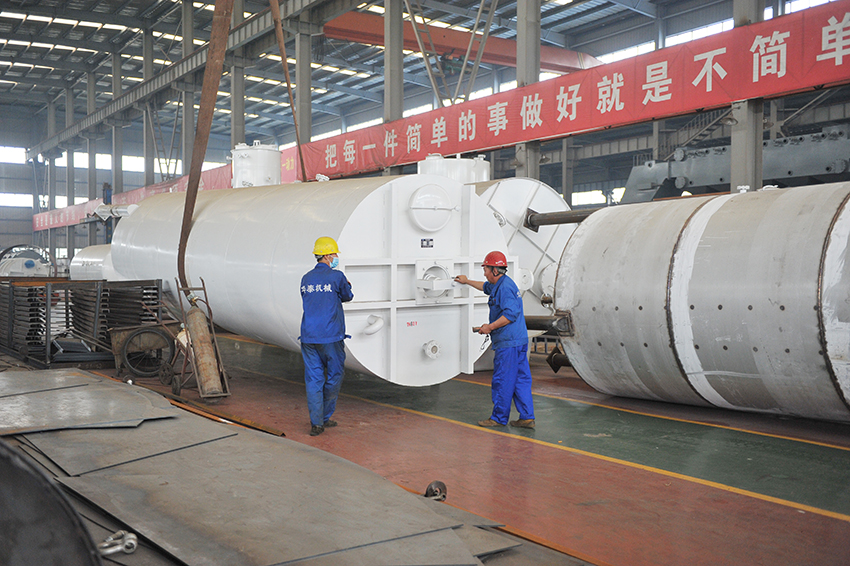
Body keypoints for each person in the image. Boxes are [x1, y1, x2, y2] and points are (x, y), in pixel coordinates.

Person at [454, 251, 535, 429]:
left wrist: (489, 327)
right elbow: (484, 286)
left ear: (495, 270)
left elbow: (510, 315)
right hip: (518, 341)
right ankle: (527, 417)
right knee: (520, 380)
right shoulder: (501, 284)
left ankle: (498, 418)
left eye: (486, 269)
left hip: (509, 343)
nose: (484, 273)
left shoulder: (504, 288)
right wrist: (466, 281)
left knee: (503, 380)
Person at [299, 236, 354, 436]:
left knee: (314, 380)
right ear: (328, 255)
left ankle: (317, 424)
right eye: (335, 254)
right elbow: (347, 296)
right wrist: (347, 285)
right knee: (334, 375)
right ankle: (325, 416)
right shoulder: (337, 276)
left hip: (308, 337)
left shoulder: (306, 278)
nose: (336, 257)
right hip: (330, 336)